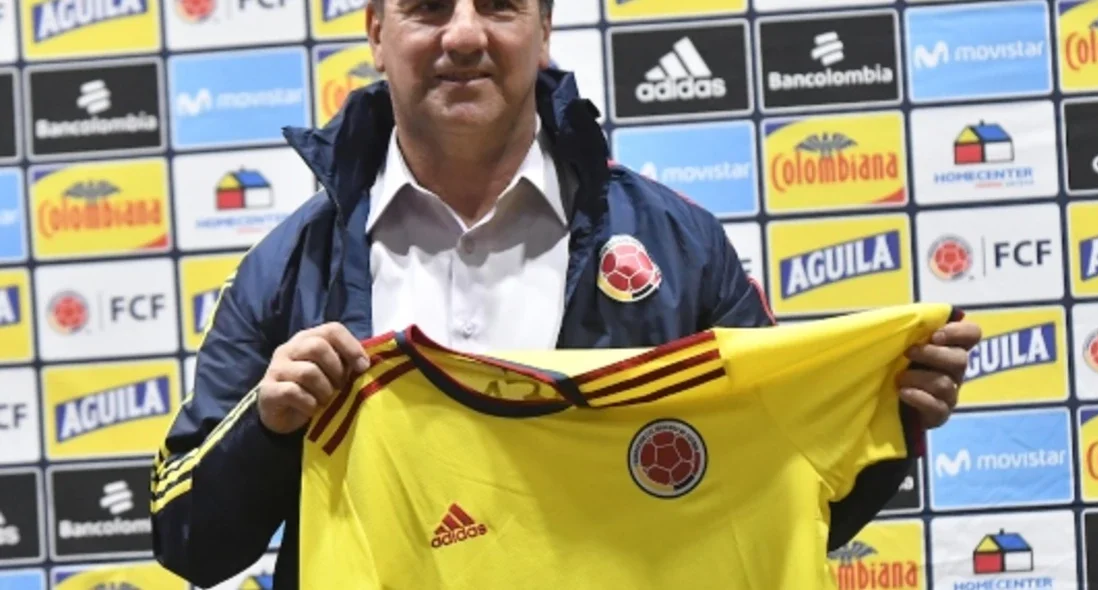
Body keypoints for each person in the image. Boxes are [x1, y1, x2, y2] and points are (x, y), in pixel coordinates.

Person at [148, 0, 982, 588]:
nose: (465, 33)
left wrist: (887, 412)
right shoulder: (290, 264)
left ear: (543, 30)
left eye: (502, 6)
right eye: (429, 7)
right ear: (375, 31)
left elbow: (782, 505)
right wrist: (267, 427)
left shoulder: (677, 244)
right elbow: (190, 545)